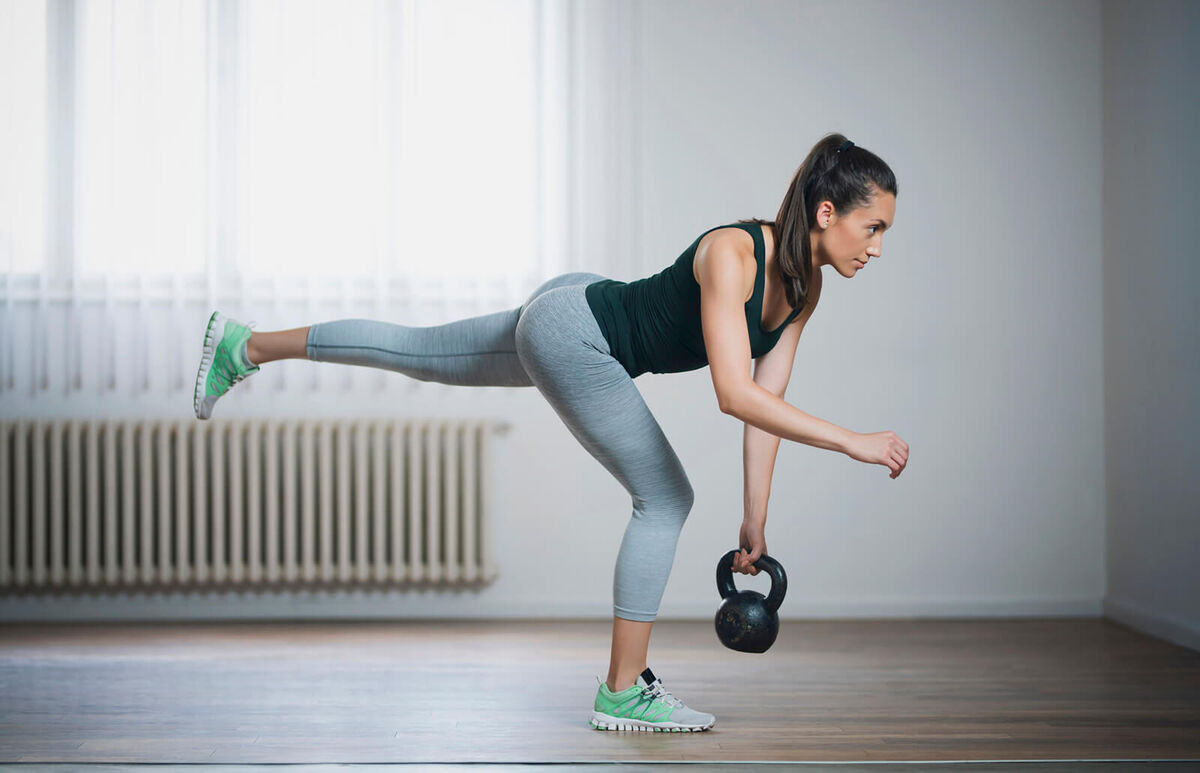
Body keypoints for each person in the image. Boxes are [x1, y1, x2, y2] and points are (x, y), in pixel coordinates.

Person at [192, 131, 909, 733]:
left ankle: (244, 345)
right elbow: (733, 393)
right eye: (873, 227)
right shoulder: (736, 253)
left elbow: (766, 404)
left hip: (575, 310)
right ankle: (622, 691)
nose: (877, 248)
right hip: (578, 333)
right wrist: (853, 440)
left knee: (420, 352)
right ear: (826, 212)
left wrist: (755, 518)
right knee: (665, 498)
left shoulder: (804, 291)